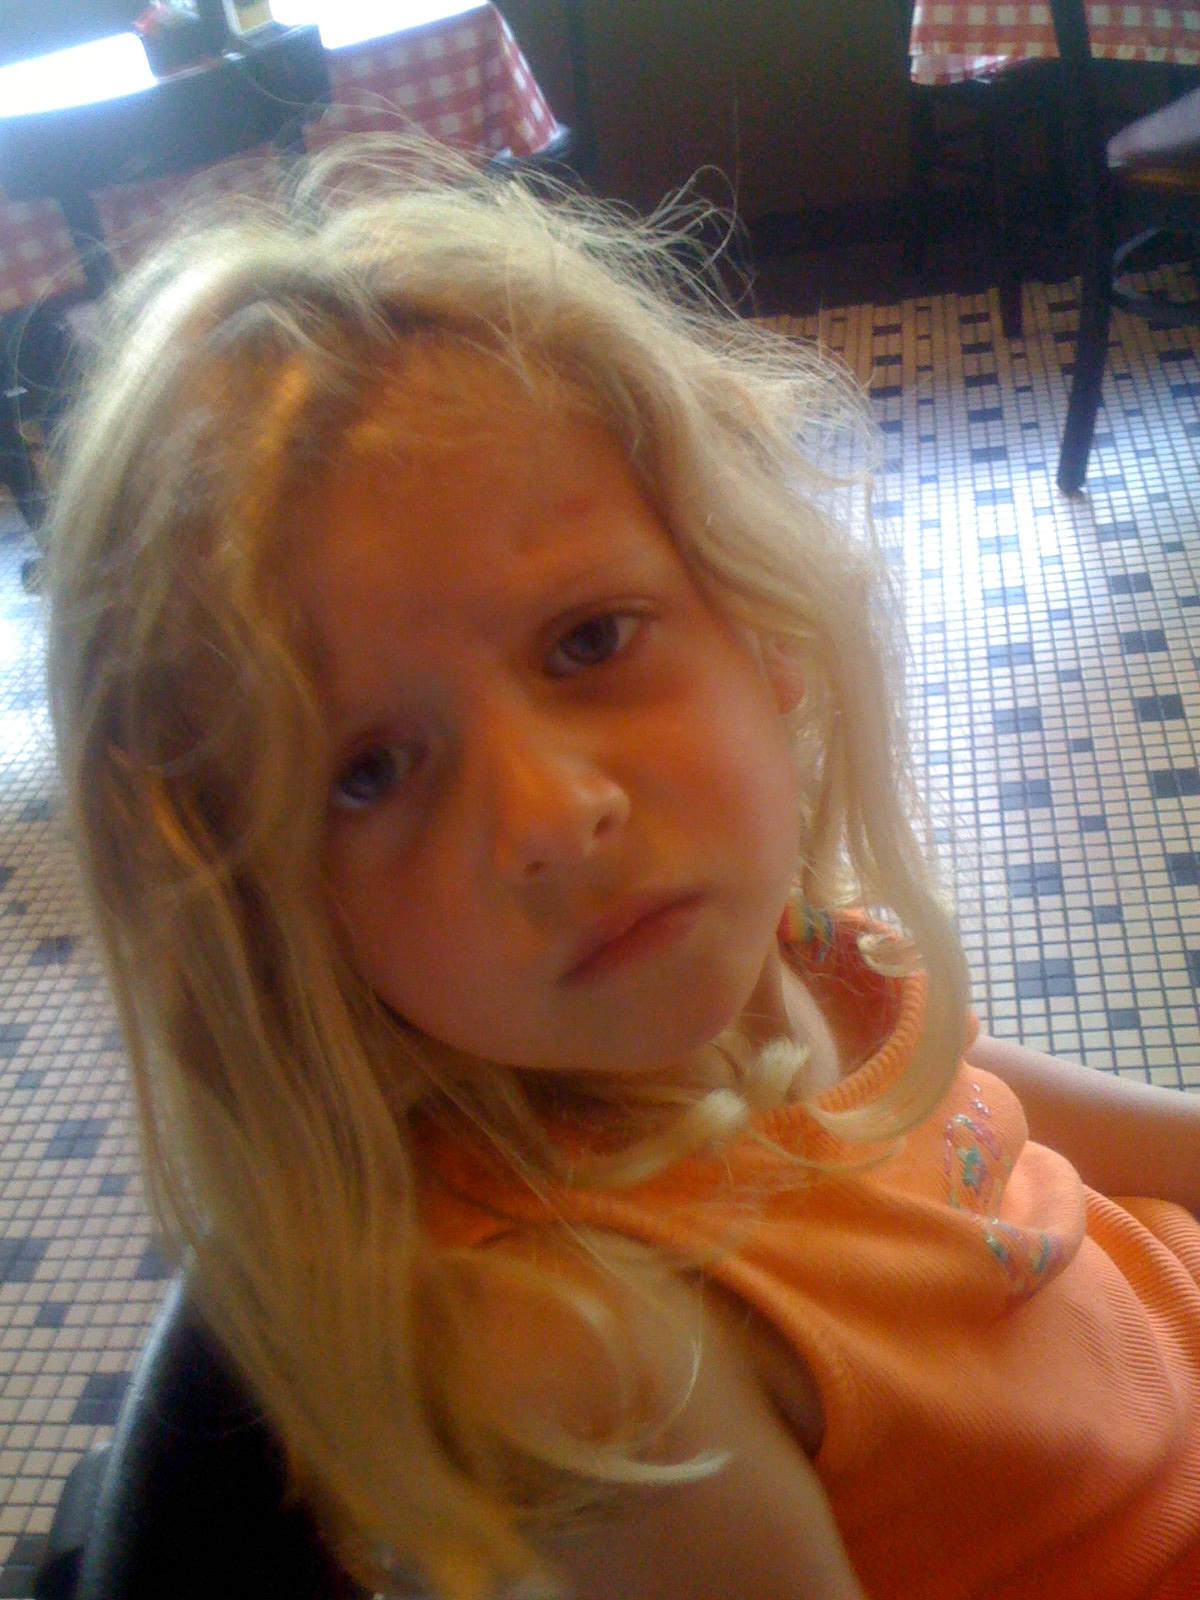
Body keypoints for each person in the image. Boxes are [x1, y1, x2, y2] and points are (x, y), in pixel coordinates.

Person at [43, 144, 1200, 1600]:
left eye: (587, 640)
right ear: (270, 922)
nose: (552, 817)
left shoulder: (759, 943)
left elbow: (957, 1105)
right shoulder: (587, 1352)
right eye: (368, 772)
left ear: (760, 632)